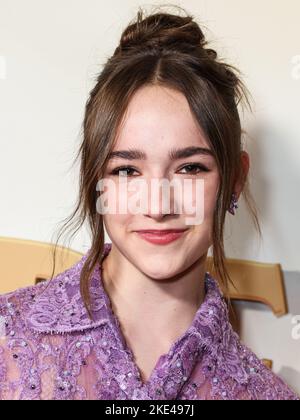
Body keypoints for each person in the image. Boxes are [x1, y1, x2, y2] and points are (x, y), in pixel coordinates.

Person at [0, 6, 299, 400]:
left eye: (190, 168)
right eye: (127, 170)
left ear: (235, 179)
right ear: (95, 179)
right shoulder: (10, 337)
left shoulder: (266, 395)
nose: (158, 206)